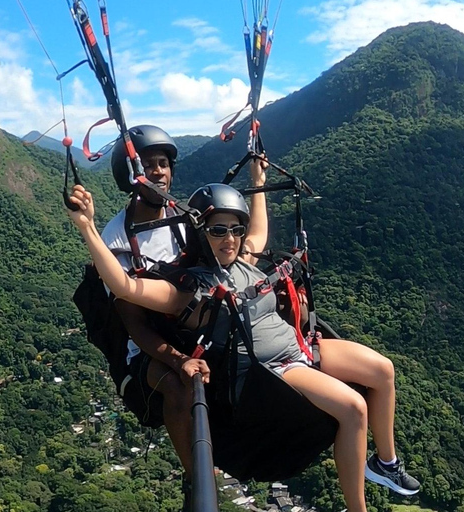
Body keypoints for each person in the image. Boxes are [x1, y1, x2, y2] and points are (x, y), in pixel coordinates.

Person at [67, 162, 420, 511]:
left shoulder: (242, 261)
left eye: (236, 229)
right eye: (219, 230)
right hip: (273, 367)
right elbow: (126, 286)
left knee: (383, 371)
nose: (230, 239)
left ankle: (385, 464)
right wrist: (88, 229)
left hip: (299, 345)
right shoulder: (191, 287)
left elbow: (258, 232)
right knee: (354, 408)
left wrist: (257, 180)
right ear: (200, 232)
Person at [99, 125, 209, 485]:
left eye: (163, 163)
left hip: (191, 326)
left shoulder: (183, 218)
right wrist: (179, 361)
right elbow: (135, 326)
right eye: (148, 166)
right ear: (130, 177)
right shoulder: (116, 239)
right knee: (179, 388)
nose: (159, 171)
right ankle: (197, 480)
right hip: (148, 348)